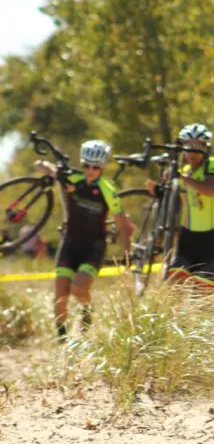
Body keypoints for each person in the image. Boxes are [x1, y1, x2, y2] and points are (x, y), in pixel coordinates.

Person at [36, 140, 131, 339]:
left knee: (79, 289)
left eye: (95, 167)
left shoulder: (108, 189)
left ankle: (88, 309)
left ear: (102, 168)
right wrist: (44, 166)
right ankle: (62, 341)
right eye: (86, 165)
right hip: (70, 244)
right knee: (60, 296)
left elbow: (122, 224)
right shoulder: (74, 179)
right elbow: (51, 170)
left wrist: (128, 254)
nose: (90, 170)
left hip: (93, 247)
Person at [151, 123, 214, 292]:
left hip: (212, 241)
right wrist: (159, 187)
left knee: (202, 294)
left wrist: (183, 178)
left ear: (205, 148)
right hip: (187, 239)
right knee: (173, 286)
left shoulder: (211, 164)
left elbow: (208, 189)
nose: (192, 152)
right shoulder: (184, 170)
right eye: (187, 147)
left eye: (197, 147)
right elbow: (170, 202)